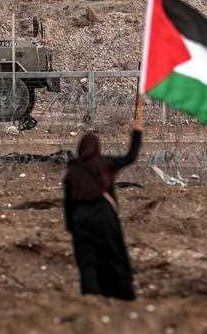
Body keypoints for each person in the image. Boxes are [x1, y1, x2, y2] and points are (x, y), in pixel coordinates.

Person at [63, 99, 144, 300]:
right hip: (104, 215)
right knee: (114, 256)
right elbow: (131, 156)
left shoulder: (73, 171)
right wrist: (137, 130)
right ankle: (122, 294)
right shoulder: (105, 164)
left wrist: (71, 226)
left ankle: (91, 296)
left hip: (81, 218)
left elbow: (68, 204)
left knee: (87, 260)